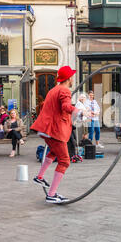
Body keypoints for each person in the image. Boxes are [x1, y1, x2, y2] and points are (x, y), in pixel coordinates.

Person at [31, 65, 87, 204]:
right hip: (55, 130)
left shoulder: (53, 90)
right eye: (72, 76)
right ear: (69, 78)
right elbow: (66, 107)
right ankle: (51, 194)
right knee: (65, 161)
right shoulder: (64, 90)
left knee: (54, 153)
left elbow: (56, 109)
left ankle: (39, 176)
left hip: (46, 129)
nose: (73, 78)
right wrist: (81, 112)